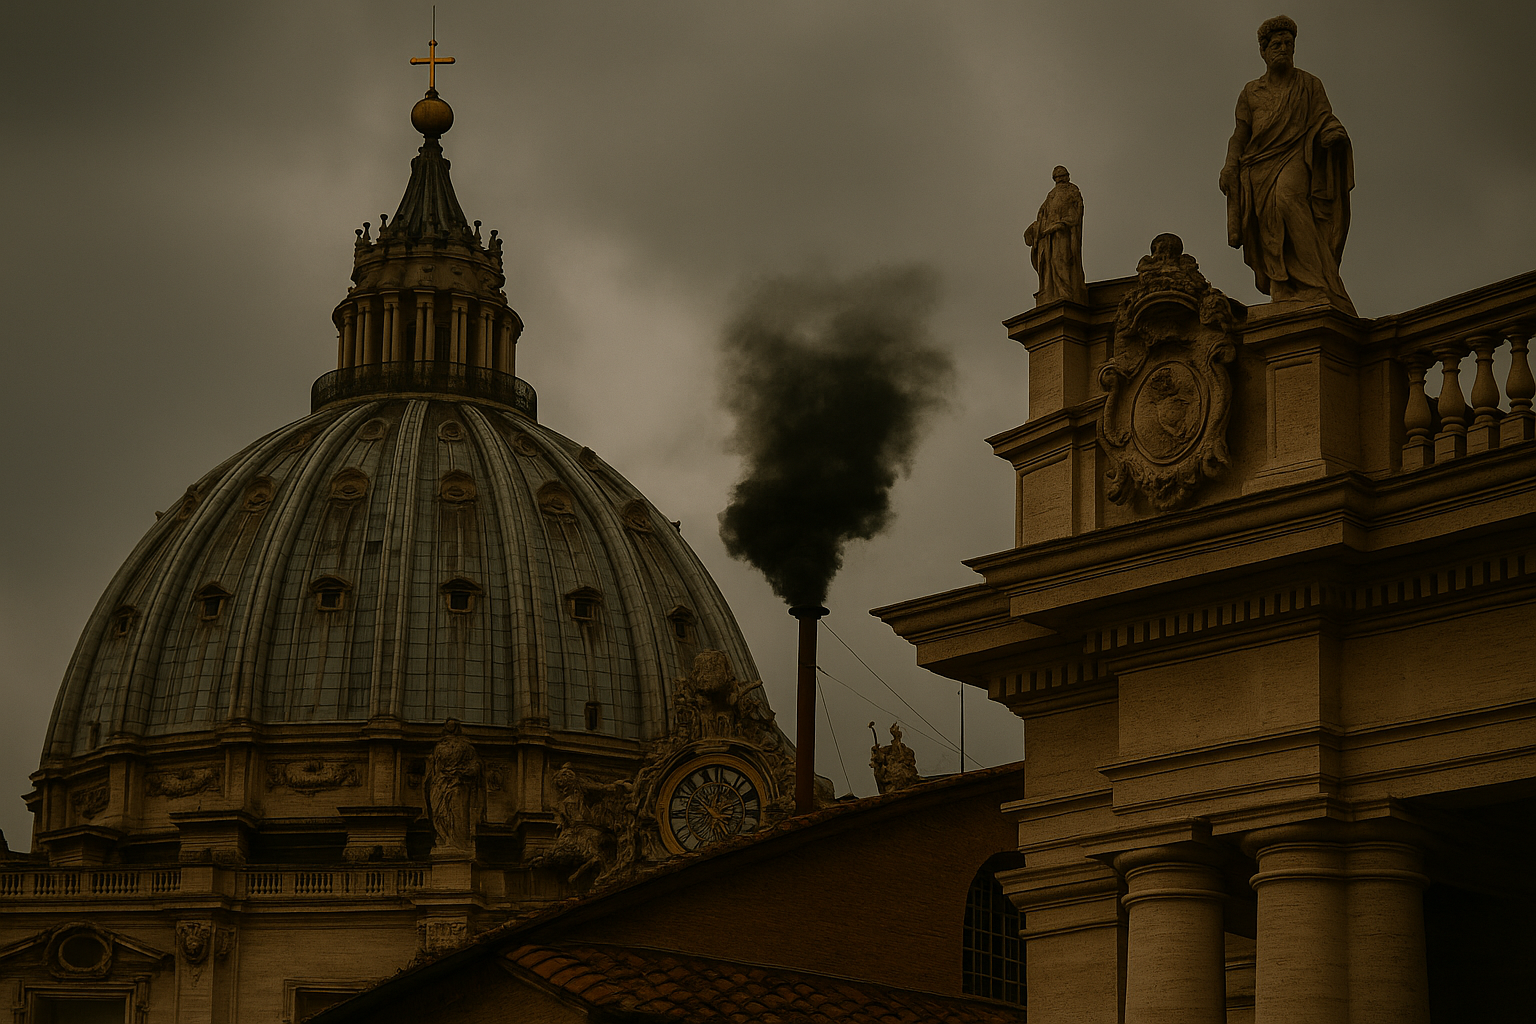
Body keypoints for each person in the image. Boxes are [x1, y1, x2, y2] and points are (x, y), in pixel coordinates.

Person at [1220, 16, 1356, 315]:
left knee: (1287, 200)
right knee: (1269, 225)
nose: (1283, 49)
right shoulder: (1250, 92)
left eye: (1289, 44)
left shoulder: (1309, 84)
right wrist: (1230, 166)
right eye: (1277, 44)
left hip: (1297, 155)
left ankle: (1319, 283)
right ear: (1263, 51)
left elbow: (1323, 118)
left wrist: (1333, 134)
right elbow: (1241, 133)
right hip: (1257, 167)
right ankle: (1283, 288)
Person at [1024, 166, 1089, 306]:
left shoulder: (1073, 191)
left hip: (1064, 233)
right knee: (1051, 262)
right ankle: (1052, 292)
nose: (1060, 180)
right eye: (1057, 178)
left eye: (1062, 176)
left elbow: (1076, 214)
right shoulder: (1051, 194)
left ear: (1067, 176)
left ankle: (1067, 294)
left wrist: (1062, 223)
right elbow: (1043, 213)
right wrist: (1036, 228)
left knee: (1062, 260)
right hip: (1050, 237)